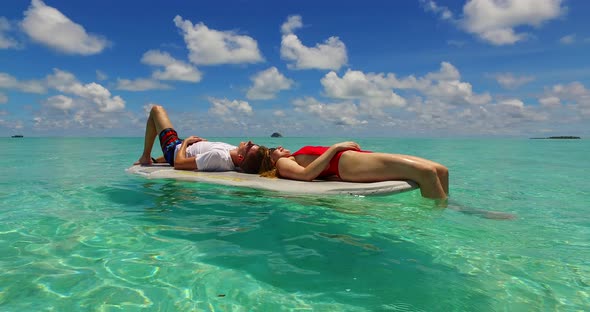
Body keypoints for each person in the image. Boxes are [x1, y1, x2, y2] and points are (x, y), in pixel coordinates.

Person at [256, 142, 449, 199]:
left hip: (357, 158)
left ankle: (447, 205)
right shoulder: (283, 164)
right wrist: (335, 148)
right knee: (426, 173)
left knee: (441, 170)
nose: (278, 148)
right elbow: (306, 176)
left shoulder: (289, 158)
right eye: (273, 151)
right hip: (349, 165)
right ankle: (438, 223)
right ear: (270, 162)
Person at [135, 105, 263, 173]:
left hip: (173, 149)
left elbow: (179, 164)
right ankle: (153, 160)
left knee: (156, 110)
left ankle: (145, 156)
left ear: (241, 158)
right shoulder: (234, 152)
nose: (250, 142)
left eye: (250, 147)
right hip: (183, 147)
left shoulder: (218, 157)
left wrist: (186, 142)